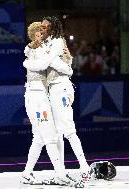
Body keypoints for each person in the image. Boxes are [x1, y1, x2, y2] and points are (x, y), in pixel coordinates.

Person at [23, 16, 91, 183]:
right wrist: (31, 53)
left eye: (44, 28)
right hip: (43, 92)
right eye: (39, 30)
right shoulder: (37, 47)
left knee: (67, 130)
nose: (42, 31)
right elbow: (32, 54)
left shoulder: (58, 41)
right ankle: (57, 173)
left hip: (60, 87)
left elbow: (50, 64)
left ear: (52, 28)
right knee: (51, 134)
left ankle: (84, 168)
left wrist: (68, 67)